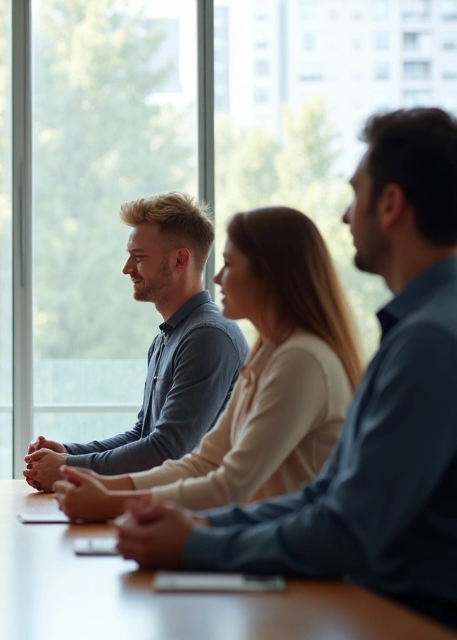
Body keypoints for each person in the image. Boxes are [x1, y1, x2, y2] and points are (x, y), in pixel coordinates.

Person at [113, 108, 457, 631]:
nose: (344, 216)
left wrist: (199, 540)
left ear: (390, 205)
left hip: (397, 616)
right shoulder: (415, 329)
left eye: (355, 195)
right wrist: (196, 525)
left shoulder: (430, 340)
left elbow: (347, 528)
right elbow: (326, 496)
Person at [51, 207, 362, 522]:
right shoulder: (268, 354)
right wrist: (102, 486)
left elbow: (230, 486)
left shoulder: (301, 360)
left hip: (287, 559)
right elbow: (202, 463)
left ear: (268, 275)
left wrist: (107, 500)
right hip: (258, 544)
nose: (215, 277)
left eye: (228, 264)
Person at [25, 192, 248, 490]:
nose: (127, 267)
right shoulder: (166, 338)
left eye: (139, 257)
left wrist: (66, 468)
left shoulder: (209, 337)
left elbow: (166, 452)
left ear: (180, 260)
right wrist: (69, 453)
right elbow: (142, 435)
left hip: (197, 520)